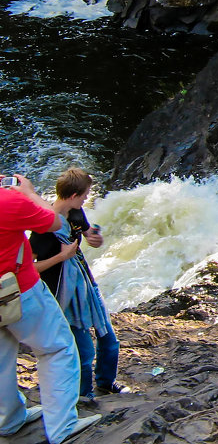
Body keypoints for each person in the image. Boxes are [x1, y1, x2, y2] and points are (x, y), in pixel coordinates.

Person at [0, 172, 100, 443]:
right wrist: (30, 193)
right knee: (57, 348)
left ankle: (8, 420)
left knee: (1, 359)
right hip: (18, 290)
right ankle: (62, 427)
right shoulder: (8, 201)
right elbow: (54, 221)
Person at [30, 168, 124, 404]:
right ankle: (84, 396)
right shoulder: (45, 226)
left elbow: (86, 233)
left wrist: (95, 238)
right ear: (72, 195)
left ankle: (106, 383)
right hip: (62, 293)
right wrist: (61, 257)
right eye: (84, 195)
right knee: (84, 352)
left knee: (109, 340)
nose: (86, 199)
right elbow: (28, 268)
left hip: (85, 283)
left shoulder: (75, 212)